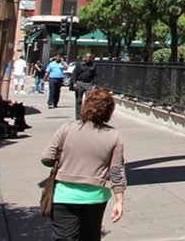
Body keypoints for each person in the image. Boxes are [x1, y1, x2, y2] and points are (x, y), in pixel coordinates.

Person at [41, 88, 125, 240]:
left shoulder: (67, 128)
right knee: (90, 236)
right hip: (96, 196)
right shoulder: (114, 137)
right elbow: (116, 171)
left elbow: (47, 158)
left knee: (63, 237)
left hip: (64, 195)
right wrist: (119, 199)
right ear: (109, 111)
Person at [71, 53, 97, 120]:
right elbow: (74, 74)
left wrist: (94, 84)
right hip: (80, 83)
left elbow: (95, 76)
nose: (88, 58)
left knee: (88, 100)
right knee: (79, 100)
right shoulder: (80, 64)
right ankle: (79, 116)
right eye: (87, 57)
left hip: (89, 84)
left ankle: (87, 115)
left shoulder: (93, 65)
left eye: (89, 57)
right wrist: (74, 83)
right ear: (84, 57)